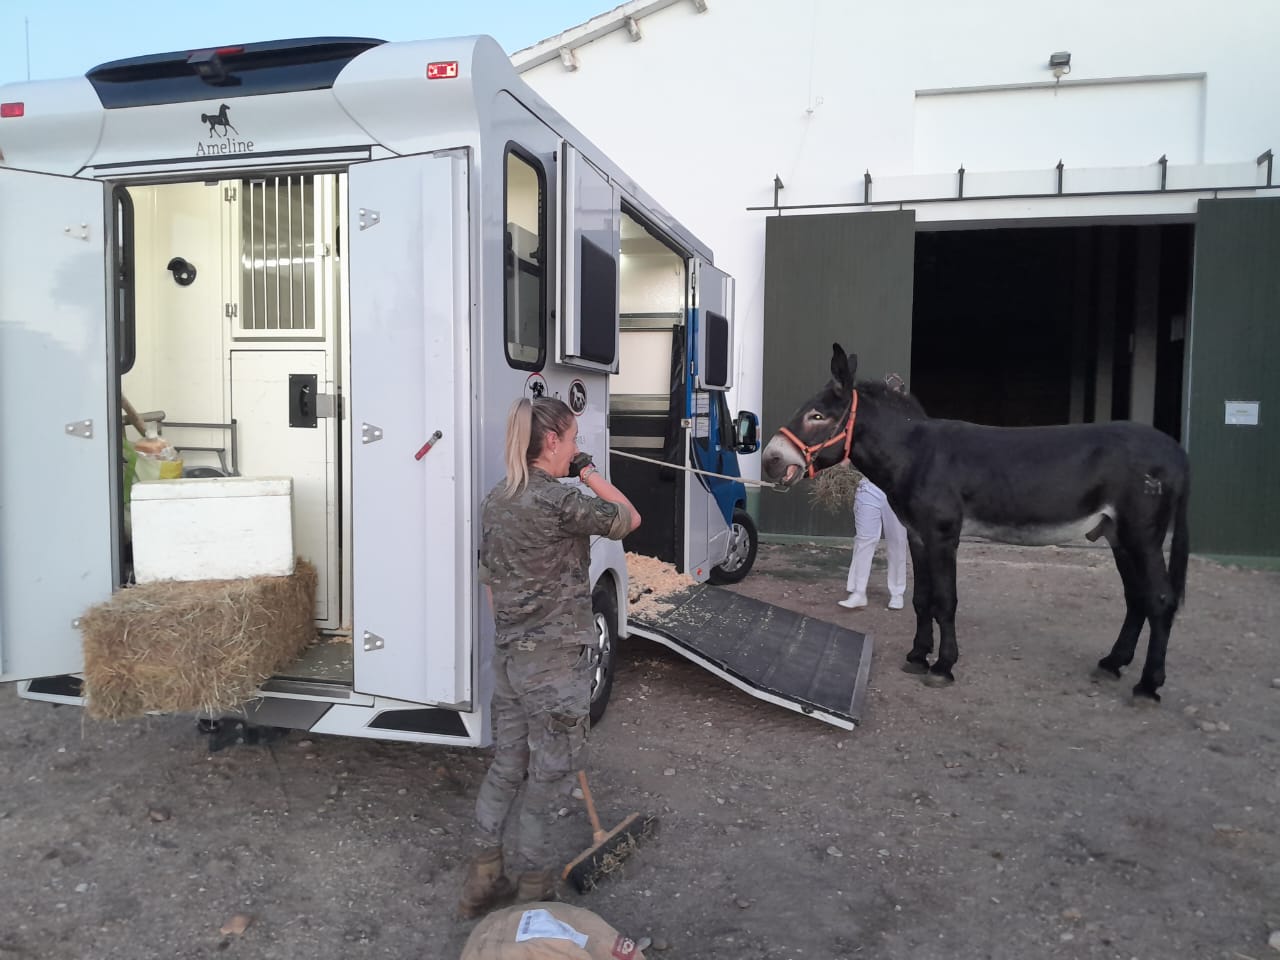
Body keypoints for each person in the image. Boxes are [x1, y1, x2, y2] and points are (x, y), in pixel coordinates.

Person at [459, 396, 641, 919]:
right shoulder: (559, 501)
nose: (578, 450)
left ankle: (482, 879)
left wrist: (516, 637)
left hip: (511, 658)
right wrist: (589, 473)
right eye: (575, 440)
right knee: (547, 778)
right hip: (556, 666)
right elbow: (629, 518)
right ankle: (533, 888)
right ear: (554, 442)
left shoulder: (498, 499)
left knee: (506, 766)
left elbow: (490, 584)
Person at [838, 373, 909, 612]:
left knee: (897, 541)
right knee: (864, 539)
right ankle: (858, 591)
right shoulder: (869, 422)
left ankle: (897, 592)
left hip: (896, 489)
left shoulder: (908, 424)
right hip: (869, 486)